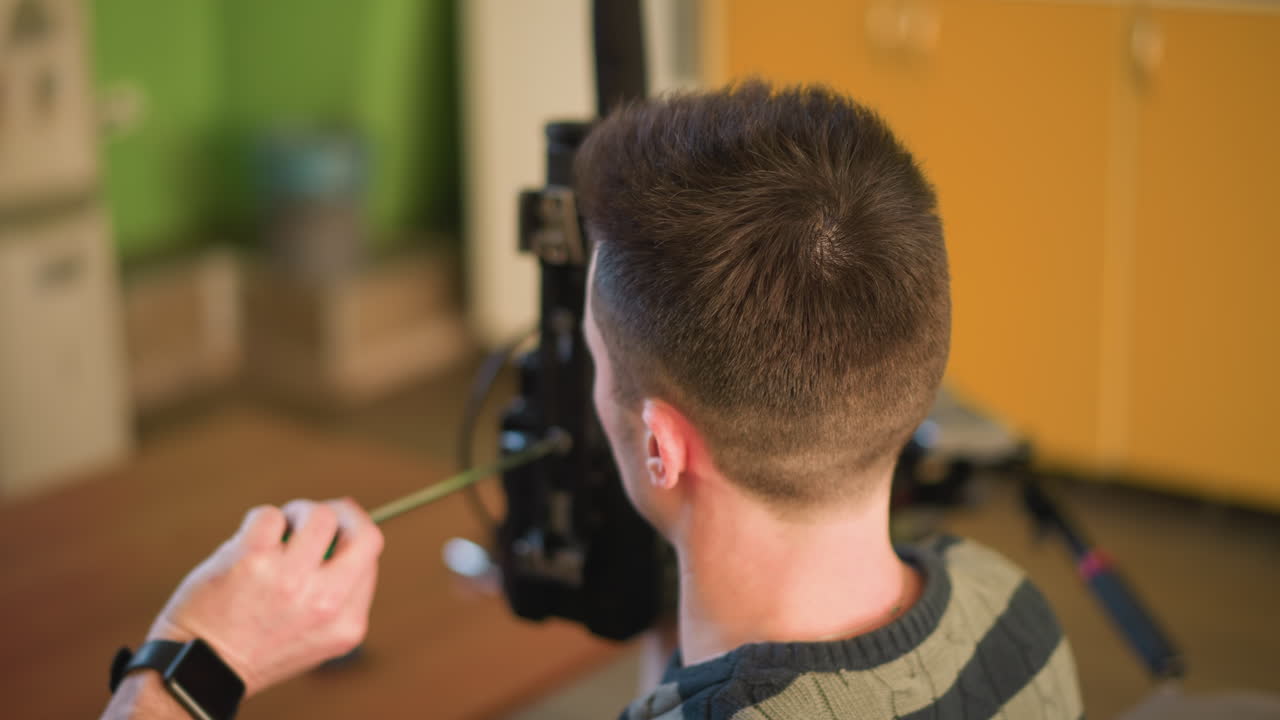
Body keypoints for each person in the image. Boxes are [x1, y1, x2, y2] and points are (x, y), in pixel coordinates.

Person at [102, 82, 1083, 720]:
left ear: (660, 446)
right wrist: (662, 581)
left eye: (600, 368)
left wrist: (195, 659)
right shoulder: (1017, 615)